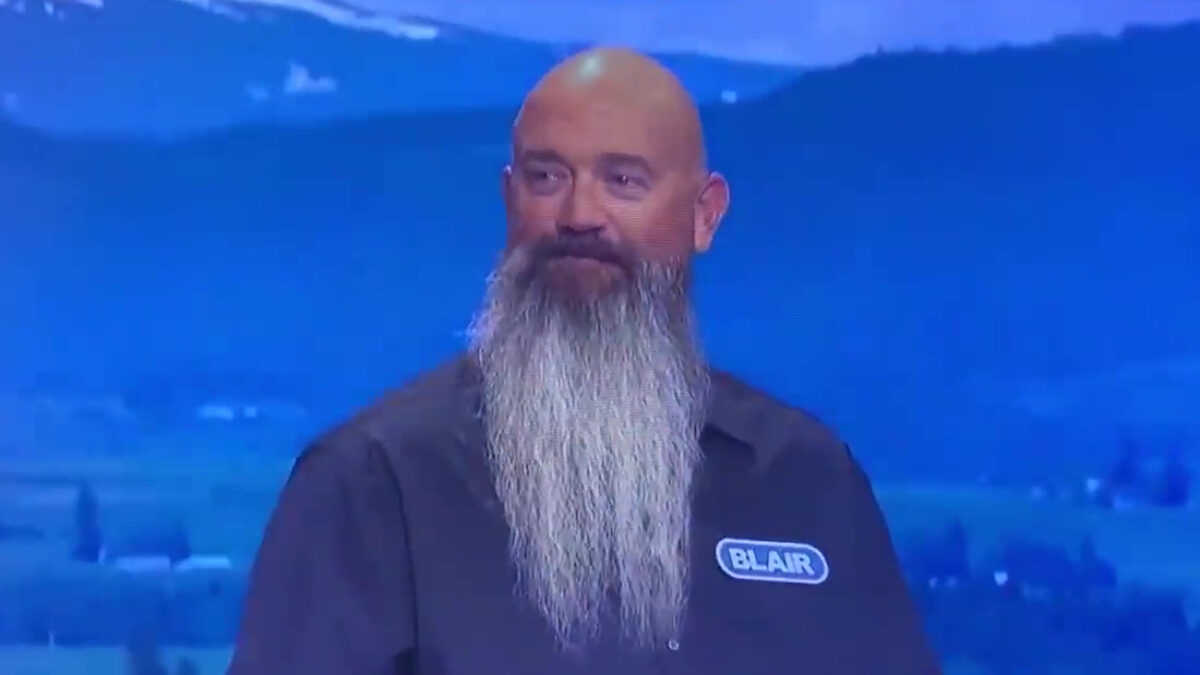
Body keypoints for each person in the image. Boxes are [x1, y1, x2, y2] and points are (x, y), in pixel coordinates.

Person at [227, 47, 941, 675]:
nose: (578, 215)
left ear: (705, 214)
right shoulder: (373, 482)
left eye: (623, 181)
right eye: (547, 177)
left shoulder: (806, 479)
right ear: (509, 199)